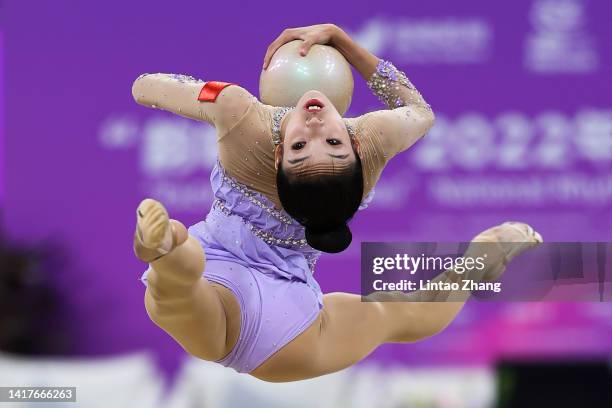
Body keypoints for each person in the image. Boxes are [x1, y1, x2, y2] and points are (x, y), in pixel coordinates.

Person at [132, 24, 542, 382]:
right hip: (227, 272)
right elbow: (419, 112)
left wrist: (212, 98)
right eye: (330, 141)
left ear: (279, 158)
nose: (315, 125)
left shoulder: (240, 117)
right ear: (353, 144)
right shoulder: (371, 139)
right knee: (404, 314)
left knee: (181, 298)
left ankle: (165, 250)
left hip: (280, 321)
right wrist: (343, 41)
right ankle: (169, 250)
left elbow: (144, 86)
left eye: (307, 145)